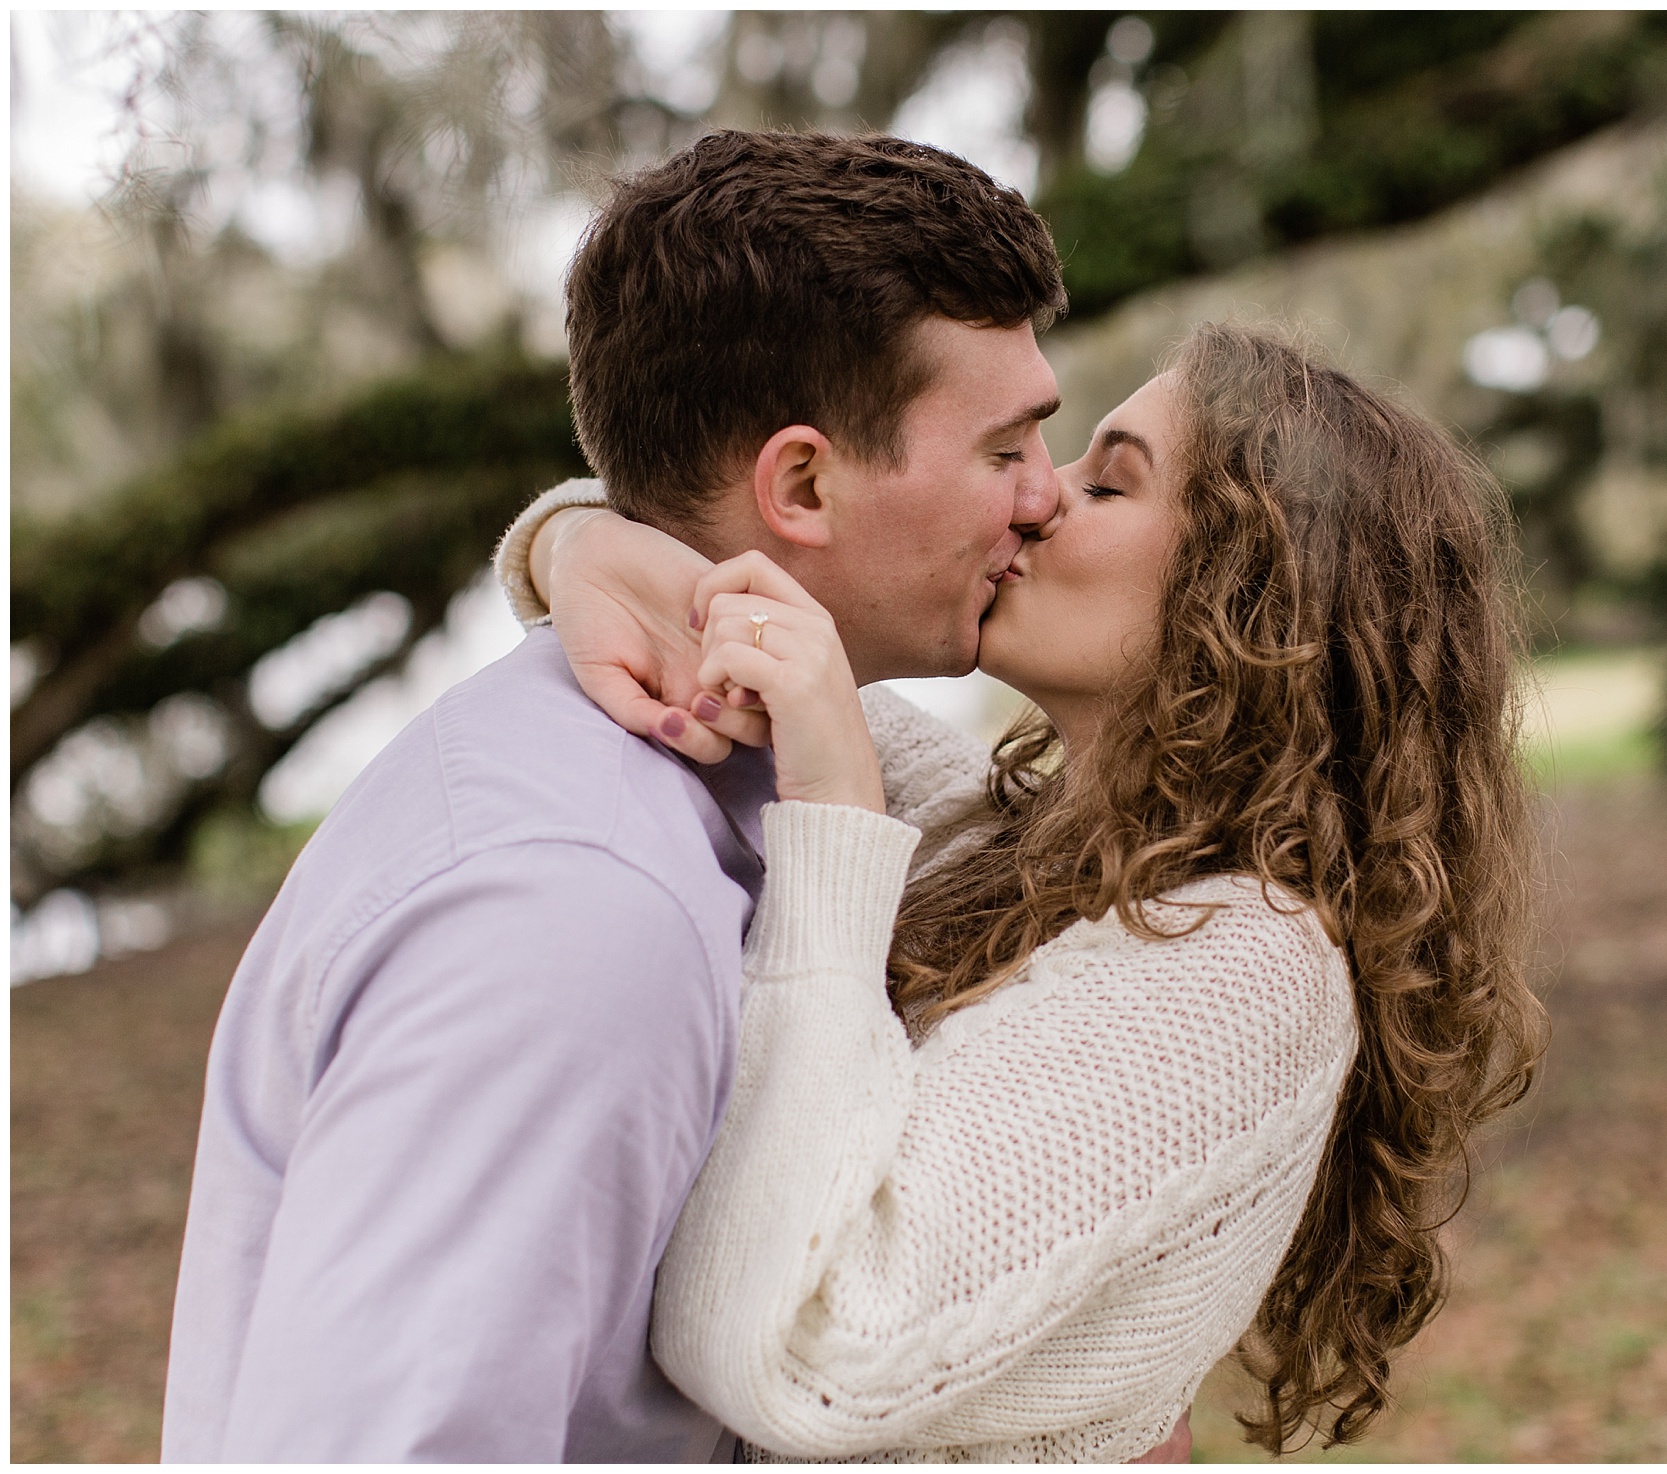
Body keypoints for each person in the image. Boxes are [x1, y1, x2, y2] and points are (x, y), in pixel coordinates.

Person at [160, 130, 1076, 1462]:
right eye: (1009, 448)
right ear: (804, 482)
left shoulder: (761, 779)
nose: (1048, 501)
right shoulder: (576, 907)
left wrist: (575, 534)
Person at [504, 322, 1549, 1460]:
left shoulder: (1252, 959)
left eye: (1108, 482)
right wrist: (567, 539)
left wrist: (835, 826)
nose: (1037, 497)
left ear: (1255, 596)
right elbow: (709, 617)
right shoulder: (1013, 845)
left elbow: (799, 1354)